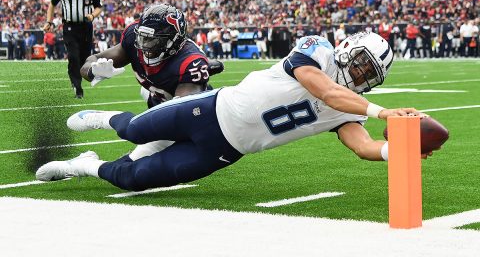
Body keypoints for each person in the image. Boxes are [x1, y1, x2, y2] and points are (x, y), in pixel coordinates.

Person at [36, 32, 433, 190]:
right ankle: (102, 120)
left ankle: (80, 164)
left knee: (134, 178)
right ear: (349, 45)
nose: (361, 73)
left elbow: (363, 145)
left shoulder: (354, 110)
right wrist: (385, 113)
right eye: (362, 62)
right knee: (136, 131)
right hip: (211, 108)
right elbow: (323, 89)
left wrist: (396, 150)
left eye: (370, 73)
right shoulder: (320, 50)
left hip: (226, 149)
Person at [77, 3, 224, 160]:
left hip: (190, 117)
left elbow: (178, 118)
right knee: (148, 90)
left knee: (134, 164)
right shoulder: (134, 38)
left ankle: (85, 162)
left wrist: (125, 124)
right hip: (157, 94)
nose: (144, 45)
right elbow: (90, 61)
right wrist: (93, 71)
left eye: (152, 40)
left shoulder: (190, 63)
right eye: (143, 37)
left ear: (173, 41)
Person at [43, 0, 103, 98]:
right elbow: (52, 5)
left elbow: (99, 6)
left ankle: (79, 78)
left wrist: (93, 15)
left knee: (84, 58)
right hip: (69, 27)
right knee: (73, 56)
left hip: (86, 27)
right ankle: (77, 86)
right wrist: (49, 21)